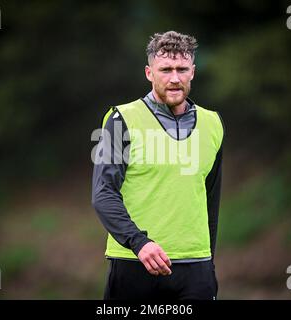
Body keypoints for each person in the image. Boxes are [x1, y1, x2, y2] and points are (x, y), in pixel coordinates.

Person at [92, 31, 224, 300]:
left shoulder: (214, 124)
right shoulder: (121, 119)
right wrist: (139, 243)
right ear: (149, 73)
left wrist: (209, 263)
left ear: (193, 72)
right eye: (165, 69)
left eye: (182, 69)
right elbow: (103, 193)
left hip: (195, 268)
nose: (174, 78)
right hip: (134, 263)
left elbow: (210, 200)